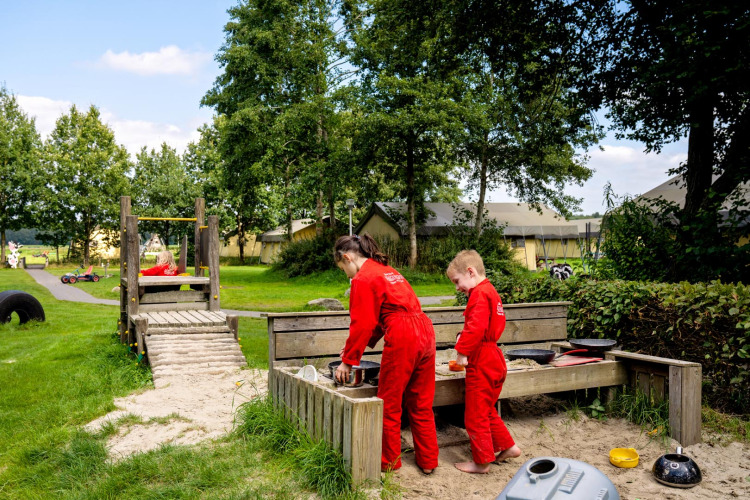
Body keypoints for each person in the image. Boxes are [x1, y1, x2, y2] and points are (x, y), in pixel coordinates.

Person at [334, 233, 439, 474]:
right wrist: (354, 349)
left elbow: (362, 323)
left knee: (389, 403)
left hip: (403, 335)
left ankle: (389, 462)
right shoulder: (388, 270)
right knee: (421, 402)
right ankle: (429, 461)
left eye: (343, 268)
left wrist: (348, 362)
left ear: (347, 258)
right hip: (425, 330)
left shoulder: (363, 278)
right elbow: (387, 315)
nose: (346, 274)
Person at [446, 250, 521, 474]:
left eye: (457, 281)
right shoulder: (491, 292)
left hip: (482, 359)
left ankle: (481, 462)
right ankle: (509, 447)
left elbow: (476, 327)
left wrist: (461, 352)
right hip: (494, 357)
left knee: (474, 416)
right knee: (486, 409)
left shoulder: (478, 294)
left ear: (470, 271)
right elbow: (484, 326)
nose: (457, 287)